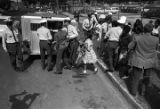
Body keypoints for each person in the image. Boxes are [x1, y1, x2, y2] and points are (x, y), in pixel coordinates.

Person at [128, 23, 159, 97]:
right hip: (149, 61)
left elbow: (130, 46)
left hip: (138, 60)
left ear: (144, 29)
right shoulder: (156, 39)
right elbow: (156, 49)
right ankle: (143, 92)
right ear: (151, 30)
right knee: (146, 77)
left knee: (136, 77)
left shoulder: (138, 37)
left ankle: (133, 92)